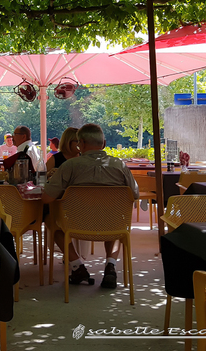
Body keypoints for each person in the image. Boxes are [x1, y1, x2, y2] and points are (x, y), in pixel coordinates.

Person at [41, 123, 139, 290]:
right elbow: (135, 194)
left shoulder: (69, 166)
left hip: (75, 225)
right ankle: (110, 266)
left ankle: (77, 265)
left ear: (82, 144)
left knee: (51, 222)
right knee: (115, 222)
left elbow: (46, 198)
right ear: (104, 144)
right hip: (111, 224)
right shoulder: (120, 166)